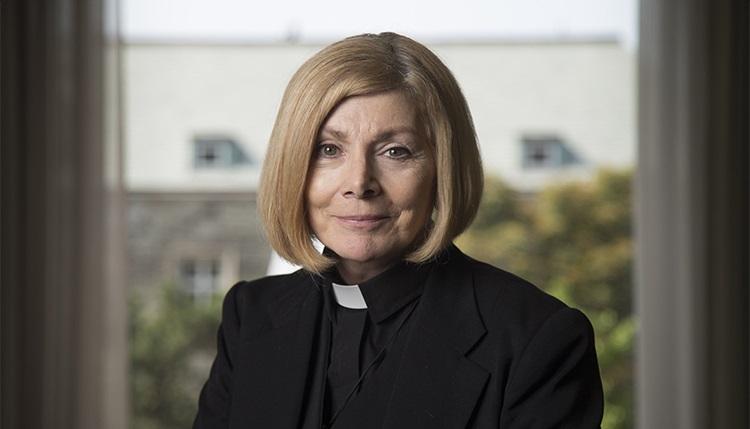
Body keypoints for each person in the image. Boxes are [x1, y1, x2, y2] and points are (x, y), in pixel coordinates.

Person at [193, 32, 603, 429]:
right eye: (328, 149)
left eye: (396, 151)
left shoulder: (537, 338)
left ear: (443, 169)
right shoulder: (251, 316)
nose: (359, 182)